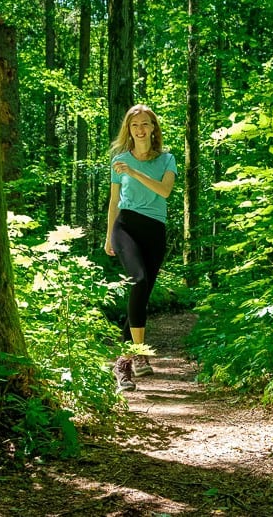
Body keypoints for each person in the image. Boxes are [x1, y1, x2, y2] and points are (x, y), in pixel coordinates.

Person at [105, 104, 177, 392]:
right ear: (129, 130)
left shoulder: (166, 160)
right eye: (135, 125)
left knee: (141, 295)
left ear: (153, 128)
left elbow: (165, 191)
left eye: (145, 124)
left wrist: (134, 173)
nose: (140, 129)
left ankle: (123, 366)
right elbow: (113, 201)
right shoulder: (119, 160)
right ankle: (141, 356)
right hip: (126, 226)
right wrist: (109, 235)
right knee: (139, 280)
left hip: (154, 230)